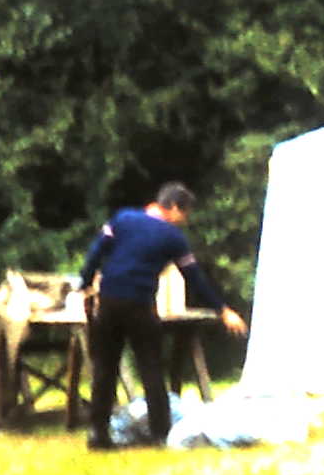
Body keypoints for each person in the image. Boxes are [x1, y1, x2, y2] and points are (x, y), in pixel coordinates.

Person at [78, 182, 248, 450]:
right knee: (151, 368)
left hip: (109, 300)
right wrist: (222, 309)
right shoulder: (172, 237)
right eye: (185, 214)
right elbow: (194, 276)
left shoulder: (122, 219)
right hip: (139, 304)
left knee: (105, 369)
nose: (184, 221)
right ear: (175, 207)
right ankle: (160, 434)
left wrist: (85, 283)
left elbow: (97, 251)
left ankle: (98, 434)